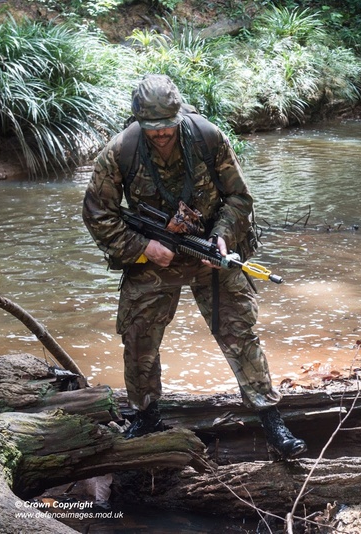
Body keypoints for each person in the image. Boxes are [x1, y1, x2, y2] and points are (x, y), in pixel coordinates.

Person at [82, 74, 306, 460]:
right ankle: (146, 417)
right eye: (152, 129)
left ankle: (272, 422)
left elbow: (239, 196)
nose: (161, 135)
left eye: (167, 127)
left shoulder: (207, 137)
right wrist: (142, 247)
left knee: (241, 332)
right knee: (138, 337)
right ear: (138, 122)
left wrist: (222, 237)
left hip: (210, 253)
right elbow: (97, 212)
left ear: (179, 115)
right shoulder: (121, 150)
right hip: (153, 256)